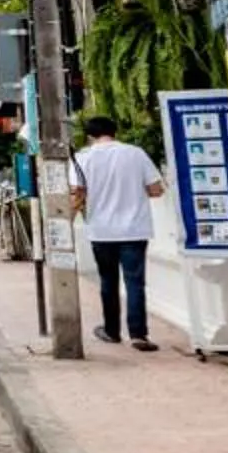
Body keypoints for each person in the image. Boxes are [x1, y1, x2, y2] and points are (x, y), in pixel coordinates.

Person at [74, 115, 166, 351]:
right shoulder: (136, 153)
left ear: (89, 136)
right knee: (135, 282)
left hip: (101, 231)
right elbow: (156, 189)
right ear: (115, 132)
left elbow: (77, 193)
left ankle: (111, 331)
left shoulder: (83, 158)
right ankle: (139, 335)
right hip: (134, 229)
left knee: (108, 281)